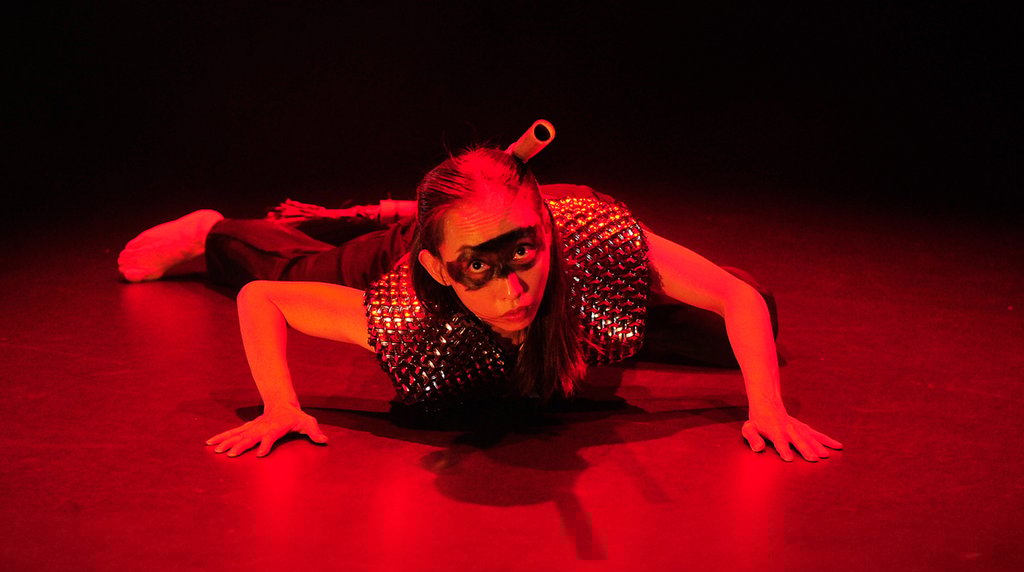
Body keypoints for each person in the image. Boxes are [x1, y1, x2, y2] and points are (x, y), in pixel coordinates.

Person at [117, 121, 841, 462]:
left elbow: (737, 302)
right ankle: (212, 230)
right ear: (444, 271)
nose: (513, 287)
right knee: (280, 265)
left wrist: (766, 408)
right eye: (483, 270)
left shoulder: (586, 240)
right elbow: (261, 302)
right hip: (407, 248)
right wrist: (281, 404)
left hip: (546, 260)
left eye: (524, 254)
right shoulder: (409, 308)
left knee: (756, 314)